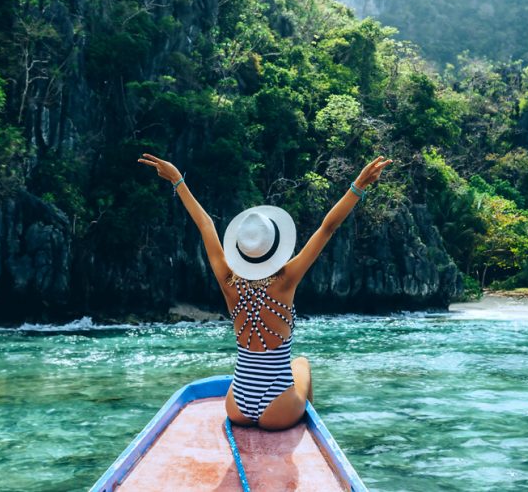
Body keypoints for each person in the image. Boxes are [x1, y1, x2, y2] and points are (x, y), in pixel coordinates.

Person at [138, 153, 392, 430]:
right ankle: (309, 431)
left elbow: (205, 225)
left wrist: (177, 180)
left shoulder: (228, 280)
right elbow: (327, 228)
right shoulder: (285, 280)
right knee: (302, 363)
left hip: (237, 406)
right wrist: (358, 185)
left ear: (241, 251)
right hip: (278, 408)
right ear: (275, 248)